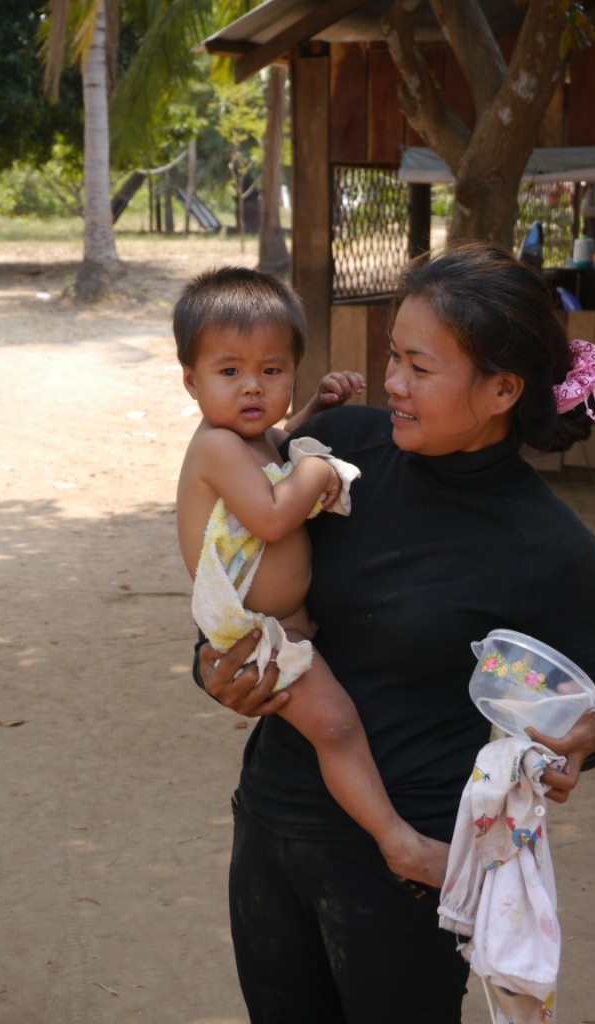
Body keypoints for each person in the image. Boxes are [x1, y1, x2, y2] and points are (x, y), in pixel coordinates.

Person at [194, 244, 595, 1024]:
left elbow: (591, 711)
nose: (391, 382)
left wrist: (579, 739)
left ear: (501, 390)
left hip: (410, 869)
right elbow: (238, 585)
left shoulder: (549, 549)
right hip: (271, 828)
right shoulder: (339, 451)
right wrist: (211, 667)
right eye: (392, 357)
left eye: (419, 369)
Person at [174, 265, 448, 889]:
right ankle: (397, 841)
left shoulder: (252, 437)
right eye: (230, 372)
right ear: (191, 380)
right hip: (258, 636)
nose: (253, 388)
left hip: (286, 624)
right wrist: (321, 474)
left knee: (335, 725)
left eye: (272, 372)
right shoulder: (216, 447)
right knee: (337, 726)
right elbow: (272, 515)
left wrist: (315, 411)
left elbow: (276, 449)